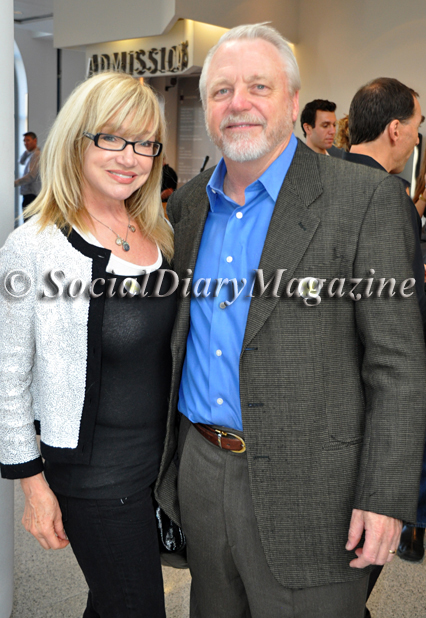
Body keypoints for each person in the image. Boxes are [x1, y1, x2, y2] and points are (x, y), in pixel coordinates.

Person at [154, 23, 426, 618]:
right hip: (201, 471)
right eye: (222, 91)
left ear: (293, 101)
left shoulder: (363, 201)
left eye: (259, 86)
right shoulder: (190, 205)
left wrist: (384, 495)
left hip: (317, 488)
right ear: (207, 108)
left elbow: (398, 363)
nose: (239, 103)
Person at [0, 71, 175, 618]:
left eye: (145, 143)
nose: (131, 157)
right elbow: (9, 373)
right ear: (77, 140)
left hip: (161, 465)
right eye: (111, 137)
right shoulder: (34, 245)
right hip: (96, 475)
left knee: (113, 601)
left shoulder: (160, 232)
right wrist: (31, 486)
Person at [342, 77, 426, 616]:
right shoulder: (388, 200)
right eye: (416, 129)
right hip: (365, 413)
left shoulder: (306, 183)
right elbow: (401, 334)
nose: (417, 141)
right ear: (395, 129)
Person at [14, 131, 41, 208]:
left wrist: (15, 183)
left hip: (32, 194)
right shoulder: (30, 154)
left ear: (35, 140)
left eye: (28, 140)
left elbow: (31, 176)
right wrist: (27, 151)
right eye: (24, 141)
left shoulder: (36, 155)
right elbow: (21, 161)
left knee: (29, 219)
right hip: (29, 194)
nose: (25, 143)